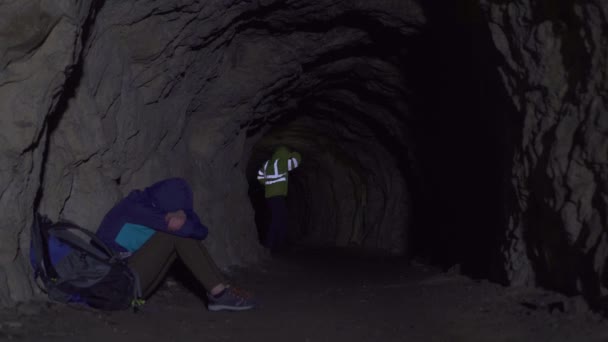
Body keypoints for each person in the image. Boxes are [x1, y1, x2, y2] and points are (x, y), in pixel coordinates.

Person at [95, 177, 256, 311]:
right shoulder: (134, 207)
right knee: (175, 235)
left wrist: (182, 213)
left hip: (126, 287)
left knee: (180, 234)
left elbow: (200, 232)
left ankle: (223, 288)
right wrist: (181, 217)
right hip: (110, 287)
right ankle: (220, 294)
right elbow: (186, 230)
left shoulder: (154, 207)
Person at [257, 146, 301, 252]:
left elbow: (260, 176)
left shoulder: (267, 164)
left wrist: (268, 184)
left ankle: (276, 243)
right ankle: (272, 244)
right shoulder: (283, 162)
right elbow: (296, 160)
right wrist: (292, 154)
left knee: (278, 218)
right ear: (285, 153)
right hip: (278, 196)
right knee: (278, 219)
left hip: (269, 196)